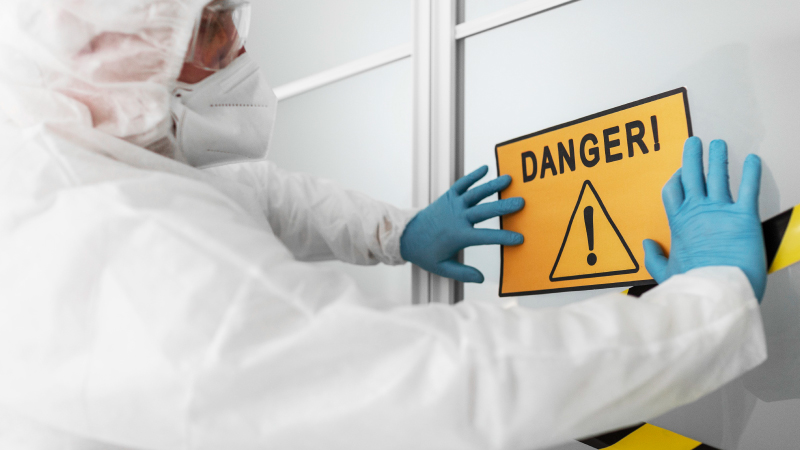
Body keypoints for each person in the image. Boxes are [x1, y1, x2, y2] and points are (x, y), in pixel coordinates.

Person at [0, 0, 767, 449]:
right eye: (210, 27)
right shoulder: (108, 244)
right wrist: (706, 306)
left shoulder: (67, 152)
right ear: (103, 49)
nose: (237, 47)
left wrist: (395, 233)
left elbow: (258, 195)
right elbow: (441, 383)